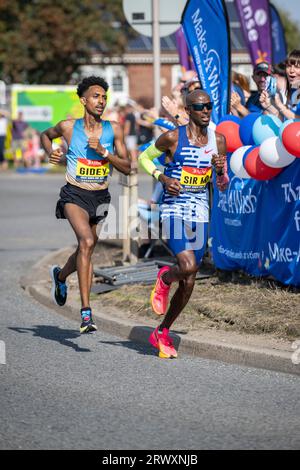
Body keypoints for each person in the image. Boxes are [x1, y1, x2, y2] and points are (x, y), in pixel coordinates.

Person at [139, 89, 229, 359]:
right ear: (188, 110)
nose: (206, 111)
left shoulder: (219, 140)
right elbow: (143, 158)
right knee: (187, 266)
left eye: (209, 106)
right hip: (174, 208)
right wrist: (162, 178)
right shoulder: (172, 137)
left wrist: (221, 170)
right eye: (200, 107)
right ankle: (165, 277)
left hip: (200, 209)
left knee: (189, 279)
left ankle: (162, 331)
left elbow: (223, 185)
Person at [41, 76, 130, 334]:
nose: (101, 101)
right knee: (87, 243)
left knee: (85, 249)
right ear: (83, 100)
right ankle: (86, 314)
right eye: (95, 96)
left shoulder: (115, 129)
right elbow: (46, 135)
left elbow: (127, 167)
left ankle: (60, 276)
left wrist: (104, 152)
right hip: (74, 195)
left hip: (100, 198)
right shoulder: (69, 127)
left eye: (104, 97)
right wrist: (52, 152)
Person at [259, 50, 300, 120]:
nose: (291, 70)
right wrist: (269, 106)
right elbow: (286, 121)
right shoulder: (294, 90)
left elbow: (297, 121)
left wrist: (281, 106)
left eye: (297, 67)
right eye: (289, 66)